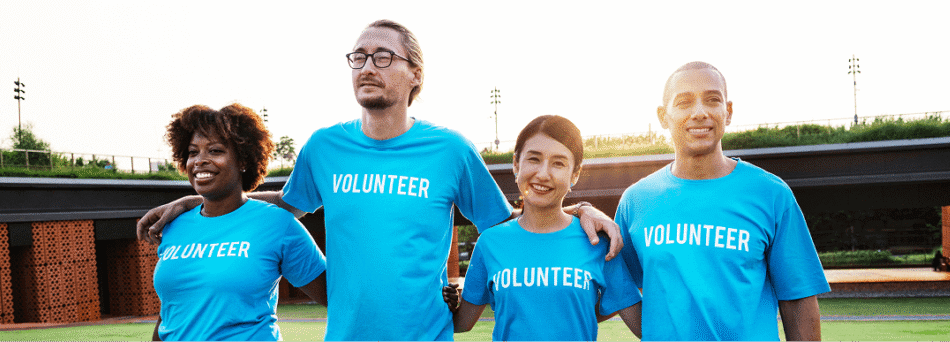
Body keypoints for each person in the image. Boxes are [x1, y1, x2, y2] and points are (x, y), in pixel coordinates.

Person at [136, 20, 622, 341]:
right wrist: (192, 203)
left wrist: (580, 210)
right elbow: (282, 206)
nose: (368, 66)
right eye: (359, 57)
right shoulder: (324, 147)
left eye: (384, 57)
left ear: (415, 75)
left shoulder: (451, 150)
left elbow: (513, 223)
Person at [616, 61, 830, 341]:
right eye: (684, 102)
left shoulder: (771, 194)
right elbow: (617, 286)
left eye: (712, 100)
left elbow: (799, 302)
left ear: (727, 112)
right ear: (663, 116)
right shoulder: (636, 202)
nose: (700, 113)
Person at [450, 115, 642, 340]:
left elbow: (644, 326)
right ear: (515, 164)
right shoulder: (489, 243)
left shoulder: (597, 243)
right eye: (534, 159)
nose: (543, 173)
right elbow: (461, 323)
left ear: (575, 174)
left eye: (558, 163)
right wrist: (444, 300)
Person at [151, 104, 327, 341]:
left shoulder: (276, 224)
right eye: (193, 152)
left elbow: (337, 299)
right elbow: (169, 314)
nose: (200, 161)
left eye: (215, 151)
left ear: (243, 160)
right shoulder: (175, 225)